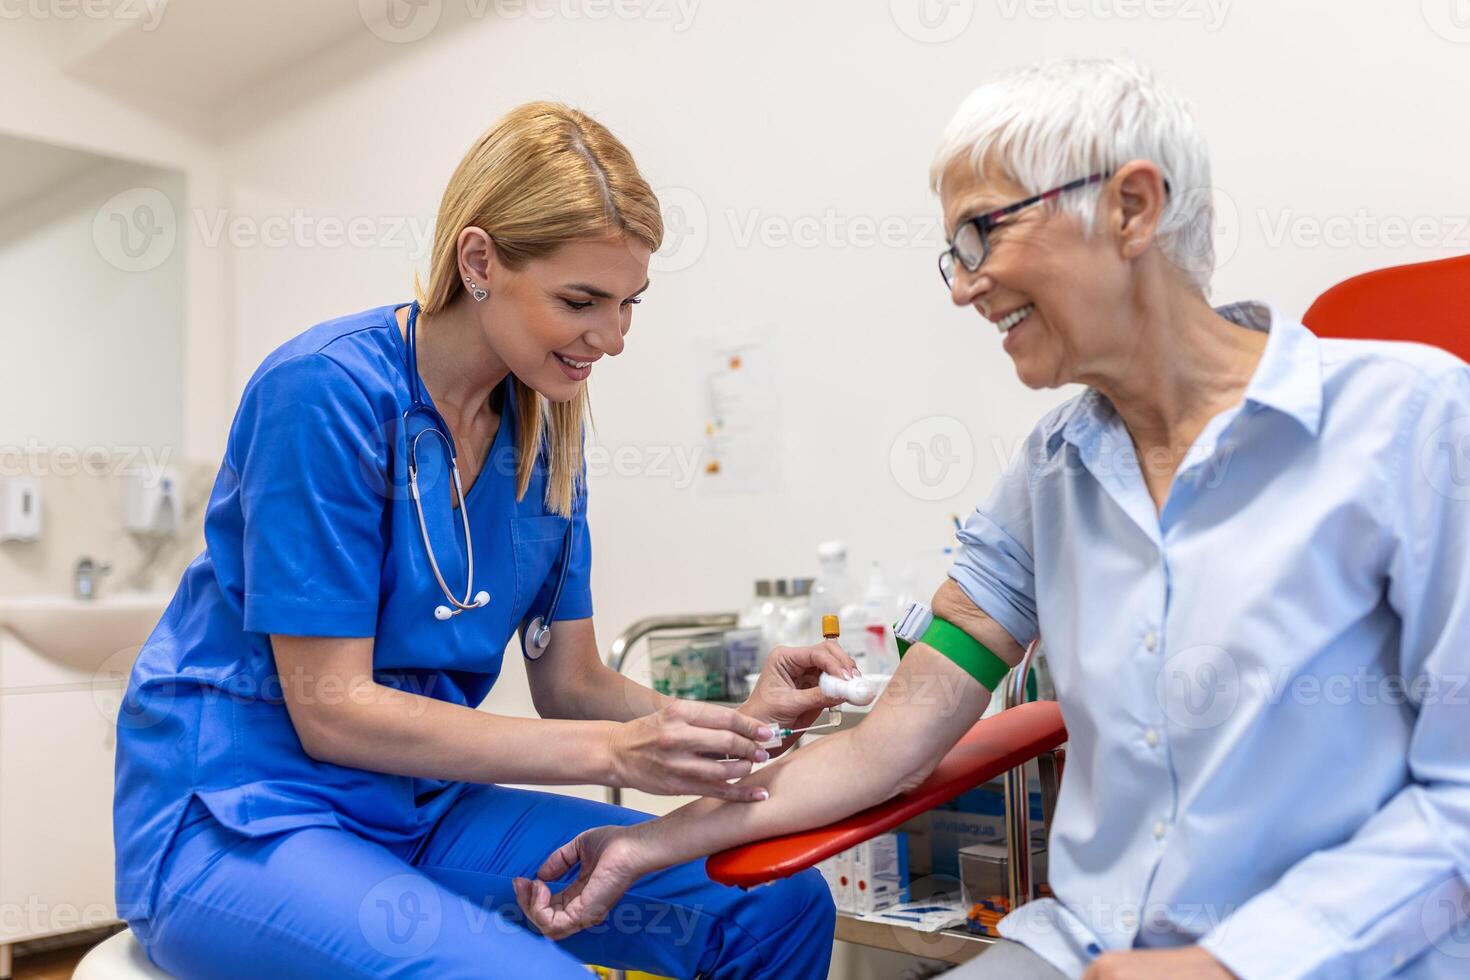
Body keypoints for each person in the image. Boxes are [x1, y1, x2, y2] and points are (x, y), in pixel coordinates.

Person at [516, 60, 1470, 979]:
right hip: (1083, 950)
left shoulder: (1413, 424)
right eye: (953, 252)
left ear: (1132, 208)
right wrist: (645, 844)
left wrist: (1231, 962)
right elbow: (887, 746)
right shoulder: (1053, 474)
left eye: (983, 233)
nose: (964, 285)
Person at [113, 102, 843, 979]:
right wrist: (617, 756)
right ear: (480, 260)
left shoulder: (545, 433)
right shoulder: (325, 392)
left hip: (422, 810)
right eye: (581, 301)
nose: (611, 339)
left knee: (773, 899)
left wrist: (725, 731)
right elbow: (332, 708)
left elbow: (570, 683)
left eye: (627, 304)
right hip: (244, 813)